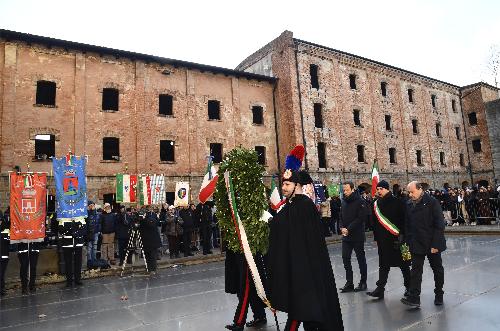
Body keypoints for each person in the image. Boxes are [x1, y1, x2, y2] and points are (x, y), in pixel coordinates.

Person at [268, 169, 344, 331]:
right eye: (283, 184)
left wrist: (269, 221)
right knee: (301, 309)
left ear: (297, 185)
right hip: (300, 266)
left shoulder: (302, 206)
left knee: (301, 309)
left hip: (306, 268)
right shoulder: (293, 205)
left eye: (287, 184)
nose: (284, 187)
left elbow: (282, 226)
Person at [401, 181, 446, 308]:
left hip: (432, 242)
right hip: (416, 243)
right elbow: (407, 225)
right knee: (415, 270)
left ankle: (439, 293)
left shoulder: (432, 202)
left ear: (420, 189)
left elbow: (439, 224)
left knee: (437, 269)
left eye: (412, 192)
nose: (410, 195)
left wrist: (435, 245)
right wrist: (408, 241)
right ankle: (414, 297)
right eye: (408, 192)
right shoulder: (409, 204)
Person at [367, 180, 410, 299]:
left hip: (399, 240)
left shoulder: (398, 202)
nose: (379, 191)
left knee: (405, 265)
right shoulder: (375, 204)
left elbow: (405, 220)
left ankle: (409, 288)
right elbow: (374, 223)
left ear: (387, 189)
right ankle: (380, 289)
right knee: (383, 265)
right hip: (383, 241)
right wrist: (376, 238)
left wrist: (404, 235)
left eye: (381, 189)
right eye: (378, 189)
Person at [224, 250, 267, 331]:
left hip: (246, 250)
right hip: (237, 250)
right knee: (250, 286)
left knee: (245, 287)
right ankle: (259, 315)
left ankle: (239, 322)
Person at [339, 181, 369, 293]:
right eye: (344, 190)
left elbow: (360, 218)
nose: (345, 192)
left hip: (357, 235)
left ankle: (363, 282)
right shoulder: (343, 201)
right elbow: (340, 216)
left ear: (352, 189)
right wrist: (342, 227)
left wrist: (348, 228)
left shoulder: (360, 201)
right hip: (346, 236)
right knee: (345, 258)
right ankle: (349, 282)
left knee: (361, 259)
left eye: (347, 190)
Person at [59, 209, 86, 287]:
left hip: (78, 243)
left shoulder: (81, 217)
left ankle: (78, 279)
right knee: (68, 263)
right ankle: (69, 281)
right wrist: (72, 227)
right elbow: (61, 230)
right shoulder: (63, 217)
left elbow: (84, 229)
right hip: (67, 243)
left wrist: (76, 233)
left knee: (78, 262)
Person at [139, 206, 162, 274]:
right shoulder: (144, 216)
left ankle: (152, 268)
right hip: (146, 239)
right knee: (148, 255)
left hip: (152, 239)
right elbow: (145, 224)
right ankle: (149, 268)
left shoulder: (153, 215)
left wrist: (144, 219)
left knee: (152, 255)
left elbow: (155, 224)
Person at [86, 201, 100, 268]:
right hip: (89, 233)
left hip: (96, 232)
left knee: (94, 248)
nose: (92, 207)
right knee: (89, 249)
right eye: (90, 205)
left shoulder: (97, 214)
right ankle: (89, 262)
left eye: (93, 205)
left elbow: (99, 223)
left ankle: (94, 262)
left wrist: (99, 230)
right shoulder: (86, 214)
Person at [0, 208, 10, 296]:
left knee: (2, 274)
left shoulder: (5, 229)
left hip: (4, 256)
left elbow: (10, 242)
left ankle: (2, 289)